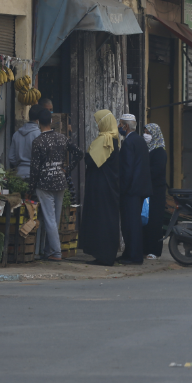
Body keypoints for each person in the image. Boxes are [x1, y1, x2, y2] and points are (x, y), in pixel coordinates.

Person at [29, 108, 83, 262]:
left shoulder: (38, 141)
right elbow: (79, 153)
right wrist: (67, 169)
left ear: (38, 122)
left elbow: (34, 169)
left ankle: (57, 252)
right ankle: (49, 250)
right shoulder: (62, 138)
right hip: (60, 181)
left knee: (50, 219)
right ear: (51, 122)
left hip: (44, 183)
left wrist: (30, 188)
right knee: (55, 219)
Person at [80, 110, 121, 266]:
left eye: (98, 121)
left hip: (101, 189)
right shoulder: (114, 139)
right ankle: (104, 254)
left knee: (101, 220)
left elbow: (91, 160)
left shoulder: (105, 140)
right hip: (108, 188)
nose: (97, 124)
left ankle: (103, 255)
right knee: (105, 220)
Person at [117, 114, 152, 265]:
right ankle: (129, 253)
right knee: (133, 223)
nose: (119, 127)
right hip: (139, 188)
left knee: (130, 224)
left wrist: (122, 188)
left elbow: (127, 169)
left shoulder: (129, 142)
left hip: (131, 190)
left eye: (120, 124)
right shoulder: (139, 140)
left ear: (125, 126)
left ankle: (134, 256)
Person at [142, 123, 168, 260]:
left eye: (149, 133)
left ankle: (155, 251)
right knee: (145, 221)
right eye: (145, 132)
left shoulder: (159, 152)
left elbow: (156, 171)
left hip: (156, 192)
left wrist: (142, 172)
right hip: (147, 191)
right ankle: (145, 249)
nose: (146, 135)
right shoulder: (148, 150)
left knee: (154, 222)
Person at [9, 105, 43, 180]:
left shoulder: (16, 134)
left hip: (19, 174)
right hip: (34, 175)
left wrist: (20, 165)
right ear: (39, 119)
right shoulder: (39, 135)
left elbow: (11, 157)